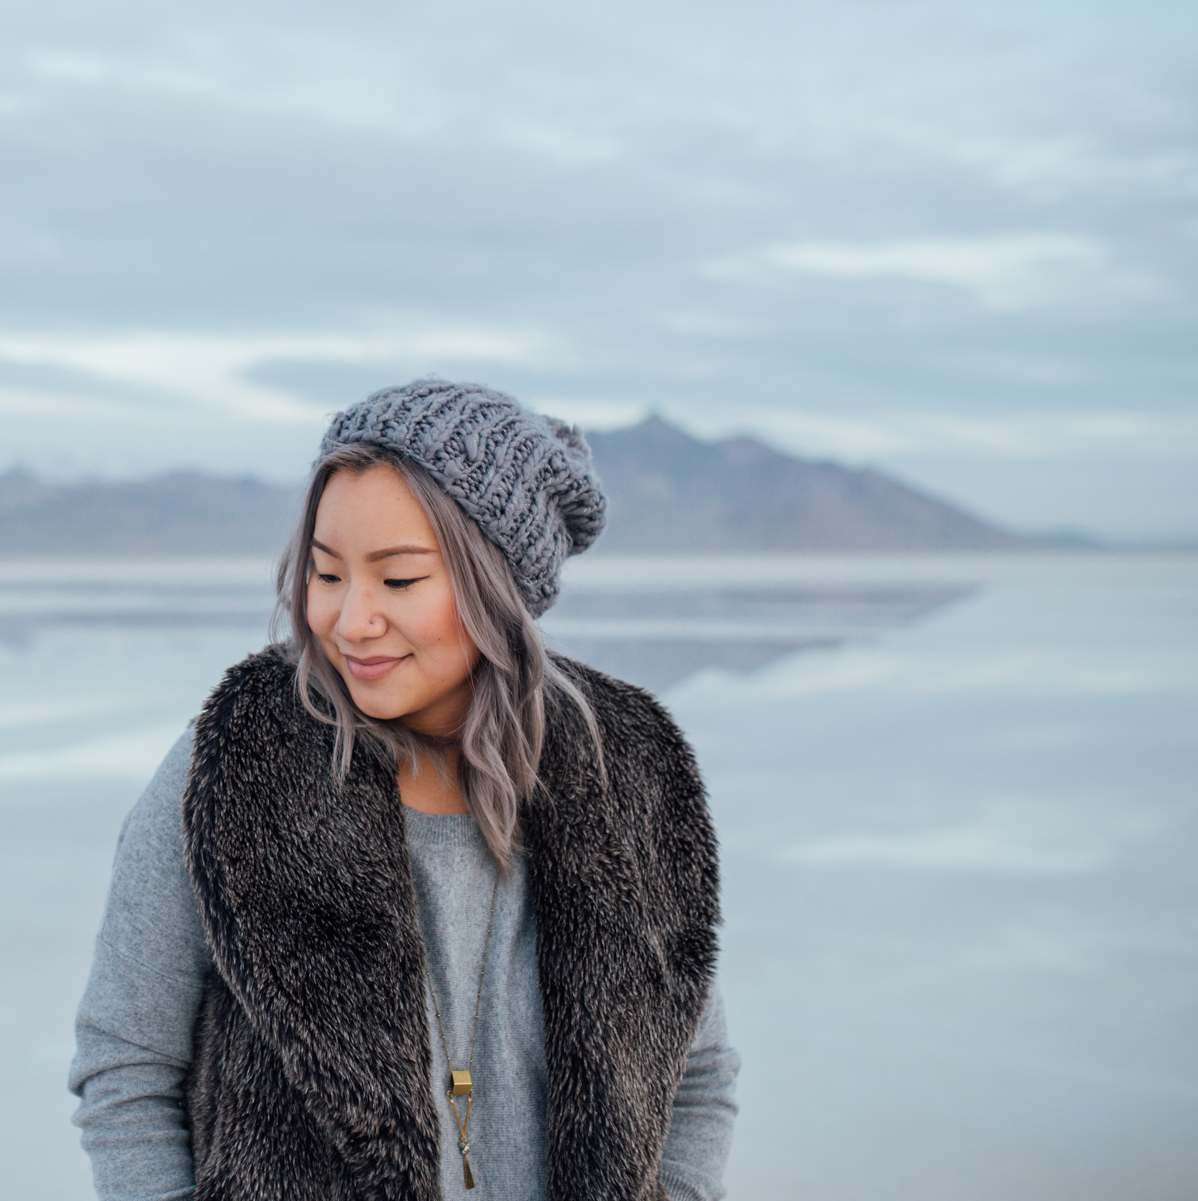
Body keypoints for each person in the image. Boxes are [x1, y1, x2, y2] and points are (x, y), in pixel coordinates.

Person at [69, 380, 738, 1201]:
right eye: (325, 572)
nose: (349, 620)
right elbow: (125, 1067)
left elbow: (696, 1072)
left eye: (397, 580)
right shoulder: (236, 764)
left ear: (498, 585)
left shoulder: (622, 769)